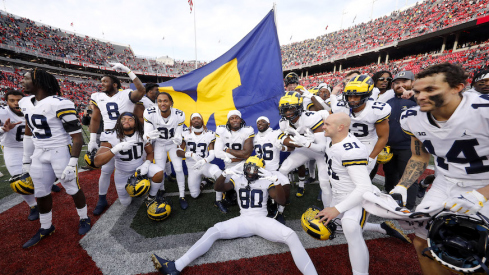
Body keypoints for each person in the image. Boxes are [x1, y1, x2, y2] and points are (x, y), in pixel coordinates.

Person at [389, 63, 489, 274]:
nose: (420, 96)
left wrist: (481, 195)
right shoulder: (412, 118)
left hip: (485, 182)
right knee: (423, 243)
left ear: (457, 87)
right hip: (445, 181)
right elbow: (419, 156)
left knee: (476, 253)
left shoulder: (484, 111)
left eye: (430, 90)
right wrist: (401, 187)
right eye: (417, 91)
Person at [151, 156, 318, 275]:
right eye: (248, 168)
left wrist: (275, 181)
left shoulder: (267, 180)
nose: (251, 172)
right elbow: (218, 188)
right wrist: (226, 172)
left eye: (255, 169)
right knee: (213, 231)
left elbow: (281, 200)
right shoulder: (237, 178)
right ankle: (176, 266)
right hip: (243, 220)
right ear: (244, 168)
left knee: (291, 235)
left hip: (261, 220)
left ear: (260, 169)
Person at [20, 69, 90, 248]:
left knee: (72, 187)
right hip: (39, 151)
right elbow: (29, 132)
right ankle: (46, 226)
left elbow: (77, 137)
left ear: (38, 82)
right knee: (41, 191)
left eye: (26, 78)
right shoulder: (25, 102)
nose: (22, 81)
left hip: (59, 151)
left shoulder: (60, 103)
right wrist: (26, 160)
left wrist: (72, 163)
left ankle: (84, 218)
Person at [316, 113, 372, 275]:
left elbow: (364, 188)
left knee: (351, 227)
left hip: (358, 198)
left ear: (340, 127)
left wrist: (336, 209)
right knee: (335, 228)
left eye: (327, 124)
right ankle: (381, 227)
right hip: (338, 194)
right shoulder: (332, 141)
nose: (323, 127)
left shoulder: (352, 150)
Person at [89, 63, 146, 216]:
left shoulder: (125, 94)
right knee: (106, 170)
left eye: (105, 81)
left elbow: (141, 90)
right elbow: (95, 118)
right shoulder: (97, 96)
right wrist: (92, 139)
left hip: (129, 133)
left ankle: (139, 187)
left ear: (114, 84)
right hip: (109, 135)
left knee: (136, 161)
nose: (102, 84)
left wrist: (127, 69)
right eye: (101, 81)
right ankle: (102, 199)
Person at [94, 112, 163, 206]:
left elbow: (150, 152)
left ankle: (151, 196)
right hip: (123, 173)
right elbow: (97, 162)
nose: (126, 121)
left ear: (135, 123)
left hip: (140, 169)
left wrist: (146, 164)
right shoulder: (111, 135)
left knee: (158, 172)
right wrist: (116, 148)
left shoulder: (142, 134)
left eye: (130, 119)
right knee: (126, 203)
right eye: (123, 119)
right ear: (119, 121)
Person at [331, 75, 391, 178]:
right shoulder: (341, 107)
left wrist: (371, 157)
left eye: (356, 96)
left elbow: (383, 137)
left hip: (366, 143)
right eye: (350, 96)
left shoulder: (376, 110)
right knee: (338, 175)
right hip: (345, 141)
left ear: (366, 96)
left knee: (359, 178)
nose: (352, 99)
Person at [277, 91, 331, 204]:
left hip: (321, 152)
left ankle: (328, 209)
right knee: (282, 170)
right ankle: (282, 200)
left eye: (291, 109)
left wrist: (307, 143)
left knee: (324, 182)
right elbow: (290, 144)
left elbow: (322, 148)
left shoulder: (311, 117)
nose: (288, 112)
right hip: (303, 149)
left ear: (299, 107)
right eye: (285, 109)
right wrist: (288, 145)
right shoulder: (283, 122)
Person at [143, 92, 188, 209]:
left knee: (178, 168)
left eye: (165, 101)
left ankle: (182, 195)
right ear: (156, 102)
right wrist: (147, 136)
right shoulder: (150, 113)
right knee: (160, 169)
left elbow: (178, 133)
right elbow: (146, 134)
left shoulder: (179, 114)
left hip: (172, 144)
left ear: (171, 103)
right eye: (159, 101)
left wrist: (179, 138)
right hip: (159, 144)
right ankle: (161, 189)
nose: (162, 103)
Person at [0, 90, 38, 220]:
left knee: (43, 174)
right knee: (19, 180)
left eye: (18, 100)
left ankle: (48, 185)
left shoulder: (33, 108)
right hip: (13, 149)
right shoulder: (3, 112)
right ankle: (33, 206)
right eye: (12, 100)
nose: (16, 103)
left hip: (35, 147)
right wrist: (3, 129)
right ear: (7, 102)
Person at [176, 113, 225, 212]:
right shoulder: (186, 133)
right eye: (193, 119)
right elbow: (178, 152)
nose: (196, 120)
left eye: (198, 118)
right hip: (192, 167)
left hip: (204, 164)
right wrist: (191, 155)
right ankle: (205, 182)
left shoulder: (209, 134)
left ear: (202, 120)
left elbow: (212, 153)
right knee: (194, 195)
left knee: (219, 173)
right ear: (191, 122)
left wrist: (204, 160)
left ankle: (218, 200)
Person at [384, 71, 419, 209]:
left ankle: (408, 207)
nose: (400, 85)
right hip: (390, 146)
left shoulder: (418, 100)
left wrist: (415, 98)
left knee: (409, 177)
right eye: (397, 83)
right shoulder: (388, 102)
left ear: (413, 82)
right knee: (390, 174)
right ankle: (391, 201)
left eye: (404, 81)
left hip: (409, 146)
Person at [253, 115, 291, 222]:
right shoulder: (254, 137)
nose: (260, 123)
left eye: (263, 121)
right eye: (258, 122)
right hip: (259, 171)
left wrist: (283, 147)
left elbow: (290, 146)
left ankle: (280, 211)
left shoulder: (275, 133)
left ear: (268, 124)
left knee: (286, 185)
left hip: (273, 171)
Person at [214, 110, 255, 207]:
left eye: (236, 117)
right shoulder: (221, 130)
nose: (234, 120)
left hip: (243, 165)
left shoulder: (247, 130)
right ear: (228, 121)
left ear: (240, 120)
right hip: (229, 166)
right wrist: (237, 157)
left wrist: (227, 150)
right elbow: (217, 153)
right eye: (232, 118)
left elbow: (247, 154)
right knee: (227, 189)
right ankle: (222, 198)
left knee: (249, 186)